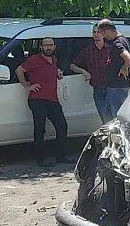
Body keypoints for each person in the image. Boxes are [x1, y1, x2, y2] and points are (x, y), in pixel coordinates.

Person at [18, 37, 73, 168]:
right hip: (37, 99)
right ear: (41, 47)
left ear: (54, 47)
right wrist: (27, 86)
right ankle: (40, 159)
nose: (48, 47)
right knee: (40, 128)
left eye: (51, 45)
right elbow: (19, 70)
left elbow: (50, 73)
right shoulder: (34, 59)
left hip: (52, 99)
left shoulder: (54, 60)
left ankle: (60, 156)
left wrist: (58, 74)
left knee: (62, 126)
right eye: (45, 45)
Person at [70, 26, 113, 122]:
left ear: (104, 34)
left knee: (114, 117)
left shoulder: (111, 49)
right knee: (105, 118)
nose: (96, 34)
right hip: (98, 89)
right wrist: (83, 71)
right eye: (94, 32)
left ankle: (116, 136)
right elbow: (72, 65)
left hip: (112, 88)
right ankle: (111, 136)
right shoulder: (87, 51)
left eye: (99, 32)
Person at [97, 19, 130, 120]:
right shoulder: (123, 40)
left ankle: (121, 136)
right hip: (115, 87)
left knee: (118, 119)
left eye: (102, 33)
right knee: (110, 119)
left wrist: (124, 68)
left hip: (117, 87)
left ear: (107, 31)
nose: (103, 37)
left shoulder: (118, 44)